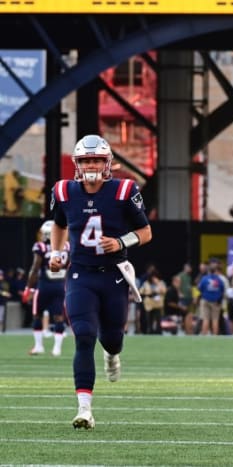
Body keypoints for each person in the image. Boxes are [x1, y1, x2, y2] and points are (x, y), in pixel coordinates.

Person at [48, 134, 152, 429]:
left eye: (96, 160)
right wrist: (56, 252)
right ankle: (84, 409)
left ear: (108, 164)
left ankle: (112, 354)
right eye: (86, 160)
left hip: (114, 275)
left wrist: (120, 241)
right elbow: (59, 223)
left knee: (112, 339)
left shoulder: (123, 190)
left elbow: (145, 232)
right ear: (77, 164)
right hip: (81, 275)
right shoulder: (65, 191)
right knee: (83, 337)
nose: (91, 165)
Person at [23, 220, 70, 356]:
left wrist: (29, 288)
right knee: (59, 317)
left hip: (44, 286)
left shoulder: (41, 247)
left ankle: (39, 346)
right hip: (61, 285)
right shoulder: (67, 246)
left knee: (37, 315)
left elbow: (35, 268)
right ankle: (57, 349)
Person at [196, 262, 226, 336]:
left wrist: (206, 293)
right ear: (215, 271)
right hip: (216, 301)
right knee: (215, 319)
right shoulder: (219, 280)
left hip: (205, 300)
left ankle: (204, 335)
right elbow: (222, 290)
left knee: (205, 319)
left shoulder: (204, 279)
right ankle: (215, 336)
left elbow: (199, 288)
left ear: (208, 271)